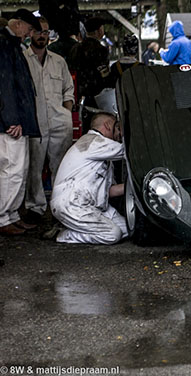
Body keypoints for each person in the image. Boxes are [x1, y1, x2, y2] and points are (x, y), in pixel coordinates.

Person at [23, 16, 74, 225]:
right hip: (34, 122)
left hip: (59, 121)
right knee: (33, 166)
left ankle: (59, 206)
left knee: (60, 166)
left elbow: (68, 90)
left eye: (45, 32)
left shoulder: (59, 60)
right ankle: (35, 208)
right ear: (30, 33)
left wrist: (66, 113)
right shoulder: (22, 59)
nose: (42, 36)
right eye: (38, 31)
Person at [50, 112, 127, 244]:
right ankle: (64, 235)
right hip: (71, 204)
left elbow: (108, 191)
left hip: (91, 204)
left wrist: (134, 187)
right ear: (108, 125)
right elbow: (128, 151)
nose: (120, 135)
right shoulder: (92, 142)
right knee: (113, 234)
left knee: (127, 229)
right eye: (118, 128)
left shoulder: (104, 153)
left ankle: (79, 227)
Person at [0, 9, 42, 236]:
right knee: (11, 170)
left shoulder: (12, 45)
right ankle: (2, 216)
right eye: (29, 28)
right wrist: (12, 118)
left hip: (18, 120)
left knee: (19, 170)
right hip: (10, 122)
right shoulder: (4, 44)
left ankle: (12, 214)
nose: (29, 33)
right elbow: (4, 85)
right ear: (18, 24)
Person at [68, 17, 111, 133]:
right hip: (97, 99)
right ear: (99, 31)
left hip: (76, 96)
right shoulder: (101, 50)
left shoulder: (75, 49)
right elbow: (105, 77)